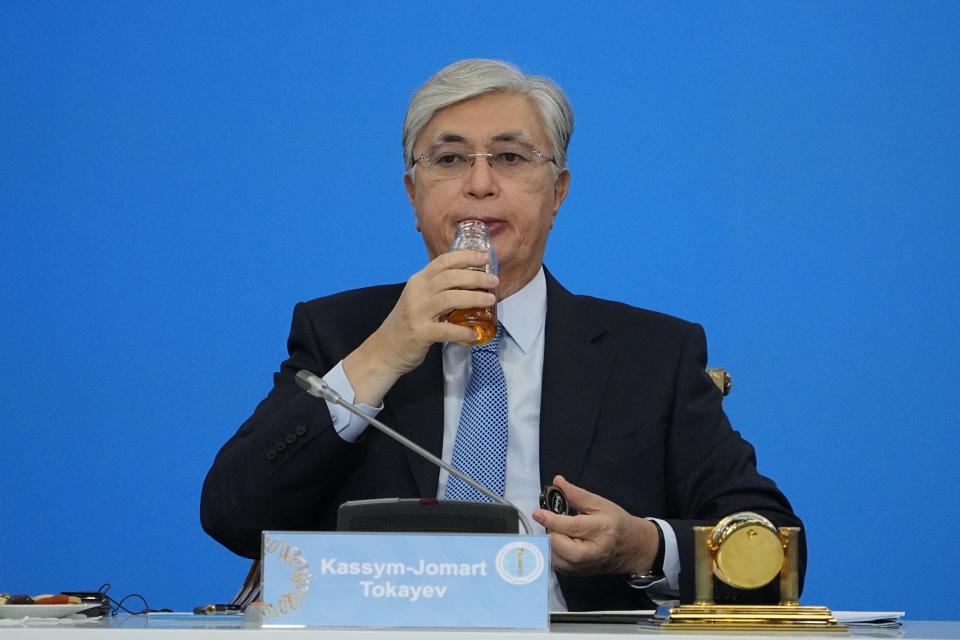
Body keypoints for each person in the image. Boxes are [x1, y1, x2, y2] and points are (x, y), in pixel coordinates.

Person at [200, 58, 804, 611]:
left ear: (557, 193)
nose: (480, 184)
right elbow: (233, 514)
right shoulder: (341, 333)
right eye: (450, 158)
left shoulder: (651, 353)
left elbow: (778, 553)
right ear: (414, 195)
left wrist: (644, 546)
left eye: (511, 158)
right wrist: (385, 352)